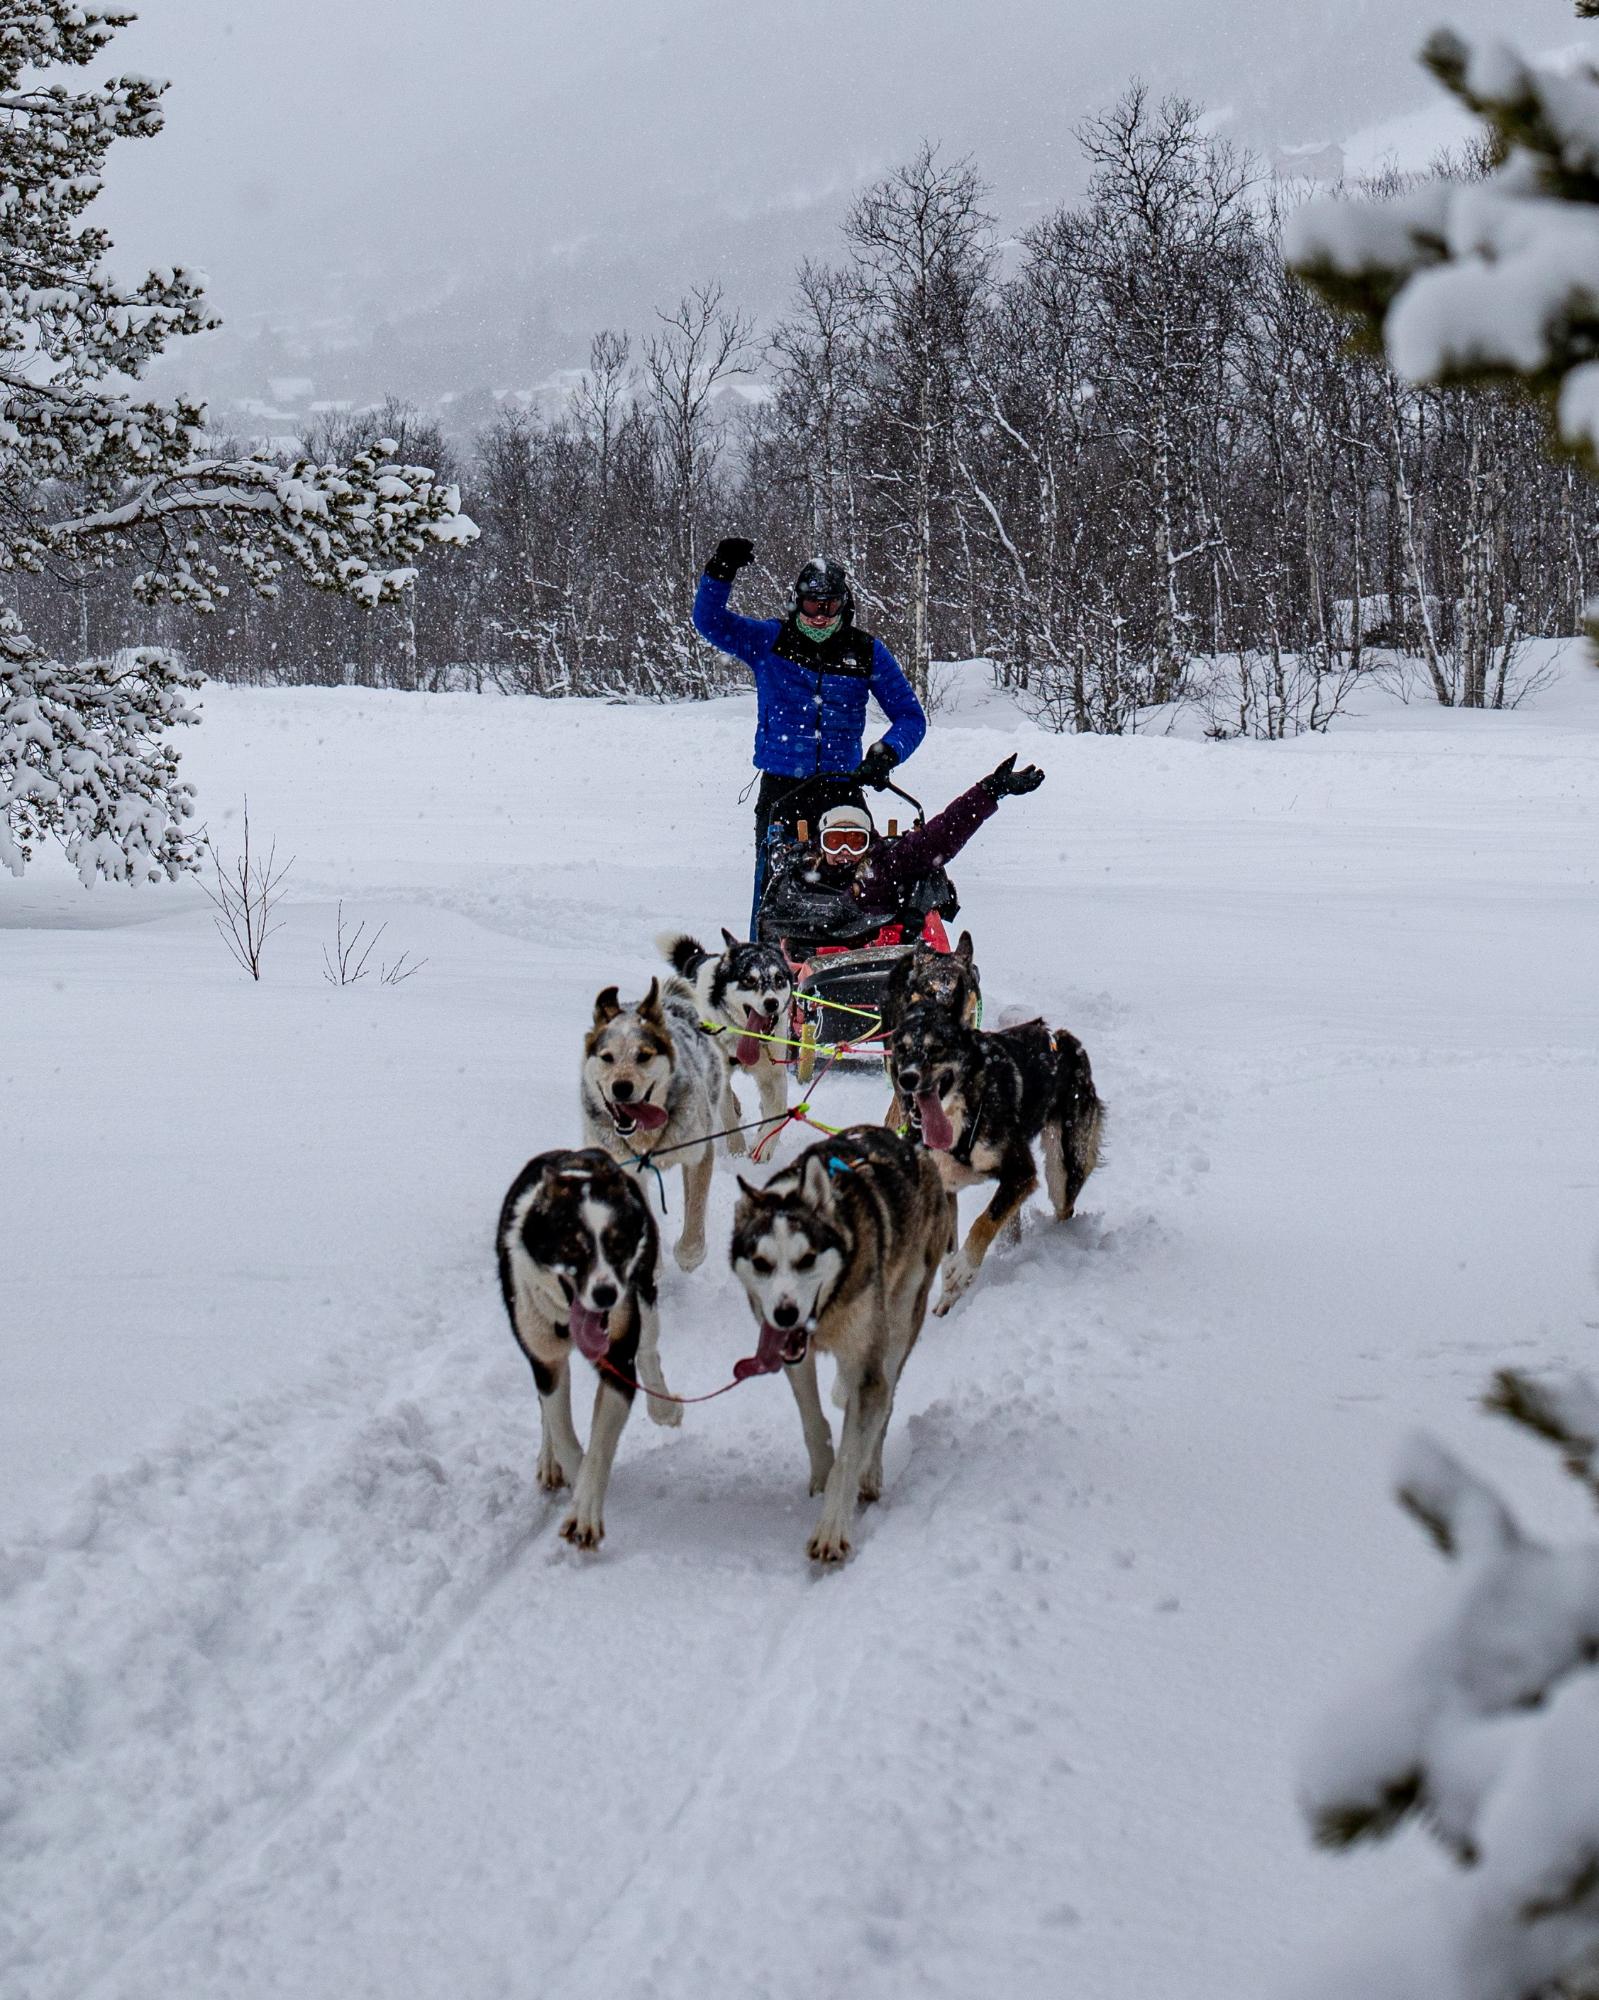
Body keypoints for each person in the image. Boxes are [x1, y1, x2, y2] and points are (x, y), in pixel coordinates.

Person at [692, 536, 927, 934]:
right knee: (775, 890)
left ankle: (858, 968)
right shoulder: (770, 640)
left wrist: (887, 752)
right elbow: (709, 621)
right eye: (812, 605)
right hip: (782, 789)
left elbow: (910, 717)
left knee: (863, 886)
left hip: (843, 786)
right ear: (797, 603)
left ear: (844, 605)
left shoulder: (865, 651)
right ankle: (771, 971)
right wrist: (720, 571)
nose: (820, 615)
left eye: (830, 606)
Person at [761, 754, 1045, 943]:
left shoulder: (885, 865)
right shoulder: (799, 872)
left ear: (869, 843)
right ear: (821, 844)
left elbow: (941, 834)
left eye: (855, 840)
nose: (845, 849)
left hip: (878, 962)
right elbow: (779, 921)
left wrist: (989, 790)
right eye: (835, 840)